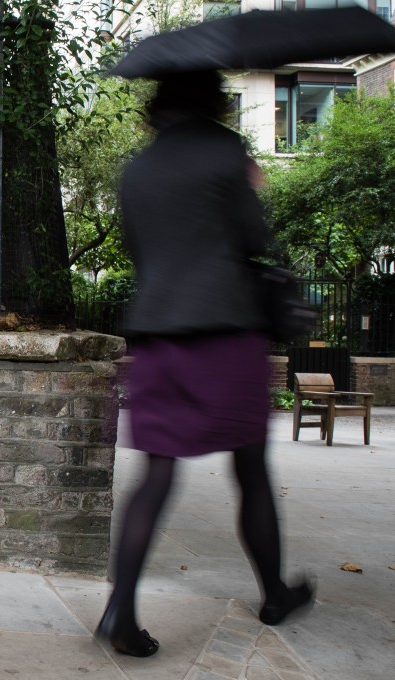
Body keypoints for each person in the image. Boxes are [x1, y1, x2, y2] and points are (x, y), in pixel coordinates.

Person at [95, 70, 314, 658]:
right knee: (251, 471)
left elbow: (142, 250)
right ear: (208, 100)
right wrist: (249, 184)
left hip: (156, 336)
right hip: (225, 332)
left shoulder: (136, 169)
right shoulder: (225, 150)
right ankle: (273, 594)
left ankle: (120, 608)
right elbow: (252, 234)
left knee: (157, 474)